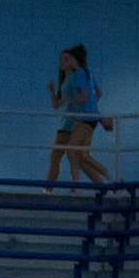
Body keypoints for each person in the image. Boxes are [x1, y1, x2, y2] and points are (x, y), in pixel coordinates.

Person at [45, 45, 106, 187]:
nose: (62, 61)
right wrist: (52, 90)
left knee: (56, 156)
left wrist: (86, 109)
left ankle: (48, 190)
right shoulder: (66, 81)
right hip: (71, 123)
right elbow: (56, 105)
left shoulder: (75, 77)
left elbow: (86, 96)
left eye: (66, 58)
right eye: (60, 58)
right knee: (79, 159)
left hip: (70, 125)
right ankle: (103, 185)